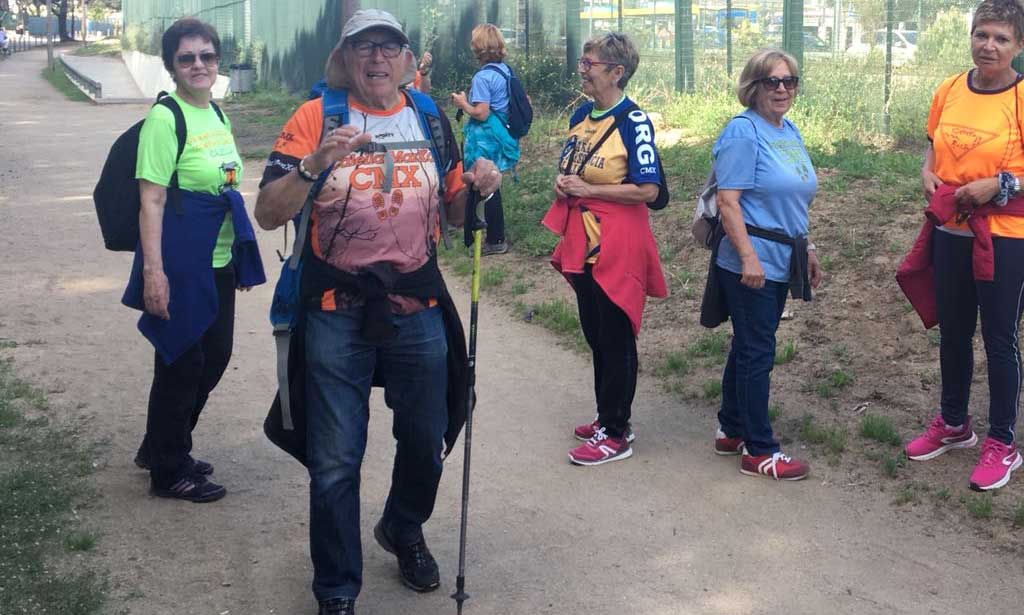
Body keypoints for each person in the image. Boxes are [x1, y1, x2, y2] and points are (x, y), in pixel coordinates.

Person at [253, 10, 502, 615]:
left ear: (406, 58)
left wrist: (479, 187)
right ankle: (337, 588)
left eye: (389, 47)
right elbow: (267, 211)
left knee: (430, 432)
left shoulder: (427, 116)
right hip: (338, 307)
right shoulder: (316, 117)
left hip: (415, 302)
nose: (377, 58)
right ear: (346, 57)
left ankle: (403, 526)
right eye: (364, 47)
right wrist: (315, 164)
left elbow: (457, 211)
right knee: (336, 456)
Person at [125, 18, 265, 502]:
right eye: (186, 58)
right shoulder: (166, 119)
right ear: (171, 66)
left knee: (215, 356)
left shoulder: (218, 114)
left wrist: (240, 253)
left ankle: (163, 443)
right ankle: (168, 469)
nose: (198, 65)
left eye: (206, 56)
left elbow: (225, 186)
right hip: (182, 259)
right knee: (181, 361)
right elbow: (152, 201)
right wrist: (154, 273)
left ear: (217, 60)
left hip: (219, 255)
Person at [903, 0, 1024, 491]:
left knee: (999, 338)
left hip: (1005, 238)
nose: (988, 45)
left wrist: (1000, 186)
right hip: (950, 230)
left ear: (1018, 45)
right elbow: (934, 144)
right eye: (981, 34)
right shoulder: (950, 88)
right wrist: (927, 172)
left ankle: (1003, 441)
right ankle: (954, 424)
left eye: (1000, 38)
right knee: (953, 330)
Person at [543, 32, 667, 466]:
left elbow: (649, 189)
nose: (582, 69)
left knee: (616, 336)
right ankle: (605, 415)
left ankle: (617, 432)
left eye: (589, 63)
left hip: (617, 244)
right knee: (596, 333)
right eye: (582, 61)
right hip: (581, 242)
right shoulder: (581, 113)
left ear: (617, 72)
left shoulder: (633, 121)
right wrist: (564, 181)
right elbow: (573, 164)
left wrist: (591, 188)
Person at [710, 49, 821, 481]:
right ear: (753, 86)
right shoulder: (743, 132)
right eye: (771, 81)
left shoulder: (787, 130)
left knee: (749, 345)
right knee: (759, 351)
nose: (781, 89)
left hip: (783, 256)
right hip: (750, 261)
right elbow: (728, 201)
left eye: (789, 81)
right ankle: (759, 449)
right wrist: (748, 258)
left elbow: (792, 200)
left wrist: (808, 248)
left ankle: (731, 428)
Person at [451, 24, 521, 256]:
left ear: (477, 47)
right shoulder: (504, 71)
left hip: (485, 138)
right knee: (492, 183)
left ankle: (486, 239)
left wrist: (462, 103)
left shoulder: (482, 77)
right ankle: (494, 237)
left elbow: (481, 112)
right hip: (500, 134)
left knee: (480, 184)